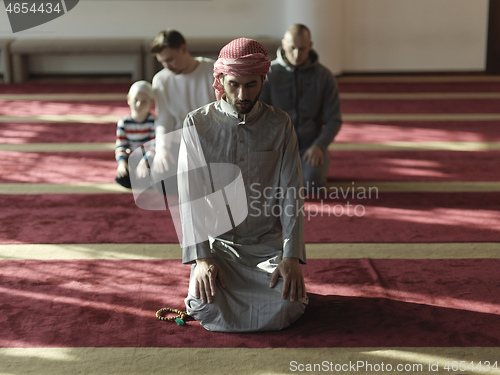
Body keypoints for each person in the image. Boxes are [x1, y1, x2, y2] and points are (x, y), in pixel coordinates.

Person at [177, 38, 308, 333]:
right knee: (204, 305)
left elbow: (291, 194)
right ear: (220, 79)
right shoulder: (196, 124)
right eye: (234, 84)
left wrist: (291, 257)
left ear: (263, 79)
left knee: (289, 303)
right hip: (219, 247)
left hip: (267, 247)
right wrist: (201, 259)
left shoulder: (280, 124)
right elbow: (190, 197)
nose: (241, 94)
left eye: (251, 85)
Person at [260, 24, 342, 191]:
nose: (297, 55)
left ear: (310, 46)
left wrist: (320, 145)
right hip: (277, 146)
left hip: (309, 145)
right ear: (283, 44)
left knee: (312, 184)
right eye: (292, 48)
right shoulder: (269, 75)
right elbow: (259, 117)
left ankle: (313, 164)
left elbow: (334, 119)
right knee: (264, 185)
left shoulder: (324, 76)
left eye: (302, 49)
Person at [150, 29, 216, 174]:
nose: (167, 66)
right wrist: (161, 149)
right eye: (162, 62)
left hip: (210, 142)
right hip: (179, 143)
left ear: (183, 49)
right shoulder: (161, 80)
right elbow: (164, 120)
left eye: (170, 59)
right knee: (158, 176)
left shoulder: (213, 71)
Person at [115, 80, 155, 189]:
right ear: (128, 99)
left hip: (149, 159)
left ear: (151, 102)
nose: (139, 104)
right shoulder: (124, 123)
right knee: (122, 177)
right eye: (135, 100)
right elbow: (121, 146)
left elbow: (154, 146)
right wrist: (122, 163)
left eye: (144, 101)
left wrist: (145, 162)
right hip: (133, 158)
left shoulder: (153, 122)